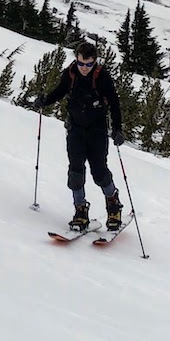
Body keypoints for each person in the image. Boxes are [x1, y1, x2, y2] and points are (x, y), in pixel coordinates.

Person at [35, 41, 126, 232]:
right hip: (75, 129)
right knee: (75, 172)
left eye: (88, 64)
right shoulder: (71, 73)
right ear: (76, 60)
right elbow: (60, 91)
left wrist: (118, 129)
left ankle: (113, 204)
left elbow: (115, 103)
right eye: (81, 63)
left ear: (94, 62)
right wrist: (45, 101)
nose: (84, 68)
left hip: (97, 131)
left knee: (99, 172)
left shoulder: (102, 77)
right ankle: (80, 211)